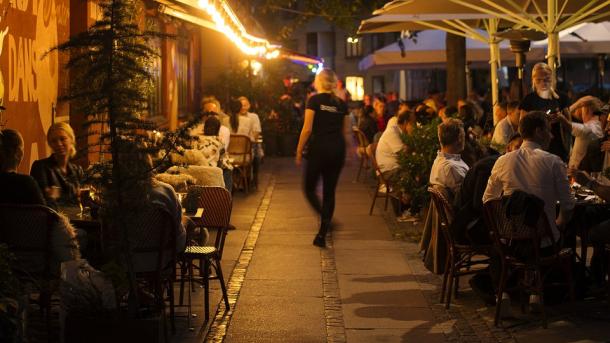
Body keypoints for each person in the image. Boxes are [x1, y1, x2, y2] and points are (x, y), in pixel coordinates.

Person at [483, 111, 575, 314]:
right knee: (564, 231)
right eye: (549, 131)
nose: (551, 136)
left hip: (511, 242)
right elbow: (568, 205)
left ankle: (503, 294)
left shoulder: (502, 161)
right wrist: (558, 224)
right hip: (544, 244)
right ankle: (538, 292)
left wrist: (506, 227)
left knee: (498, 248)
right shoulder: (553, 162)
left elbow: (488, 200)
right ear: (539, 131)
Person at [296, 69, 349, 248]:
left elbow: (307, 129)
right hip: (337, 150)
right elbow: (346, 132)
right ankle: (322, 233)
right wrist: (347, 152)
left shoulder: (314, 100)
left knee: (309, 188)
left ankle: (327, 222)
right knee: (329, 192)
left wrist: (298, 150)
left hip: (319, 149)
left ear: (319, 82)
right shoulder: (341, 104)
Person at [520, 62, 572, 162]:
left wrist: (561, 119)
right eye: (539, 80)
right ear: (533, 80)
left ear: (552, 79)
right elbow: (522, 127)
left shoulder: (561, 98)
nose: (543, 83)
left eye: (546, 79)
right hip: (536, 150)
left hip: (559, 148)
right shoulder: (529, 100)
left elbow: (571, 127)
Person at [30, 122, 84, 209]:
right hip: (53, 220)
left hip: (78, 220)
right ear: (50, 144)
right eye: (54, 141)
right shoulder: (41, 167)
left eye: (63, 139)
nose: (59, 144)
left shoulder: (77, 170)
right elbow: (41, 205)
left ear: (71, 140)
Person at [556, 95, 604, 169]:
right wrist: (579, 103)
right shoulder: (596, 125)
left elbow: (567, 121)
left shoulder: (593, 127)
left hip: (580, 173)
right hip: (579, 171)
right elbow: (569, 114)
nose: (580, 113)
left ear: (587, 109)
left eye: (581, 109)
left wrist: (579, 103)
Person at [0, 128, 46, 205]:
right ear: (18, 152)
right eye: (23, 148)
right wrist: (52, 197)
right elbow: (45, 213)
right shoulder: (26, 183)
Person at [429, 118, 469, 197]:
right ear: (460, 138)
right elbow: (466, 197)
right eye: (464, 136)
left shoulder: (438, 160)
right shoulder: (451, 167)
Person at [375, 111, 413, 178]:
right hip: (388, 171)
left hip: (395, 167)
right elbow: (404, 153)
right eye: (413, 122)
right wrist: (411, 136)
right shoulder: (392, 132)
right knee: (416, 172)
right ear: (406, 122)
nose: (415, 125)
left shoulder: (401, 132)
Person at [238, 96, 263, 188]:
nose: (243, 107)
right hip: (235, 148)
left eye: (245, 105)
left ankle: (253, 177)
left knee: (256, 149)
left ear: (249, 106)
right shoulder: (233, 118)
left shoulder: (253, 117)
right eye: (240, 105)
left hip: (249, 145)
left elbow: (256, 132)